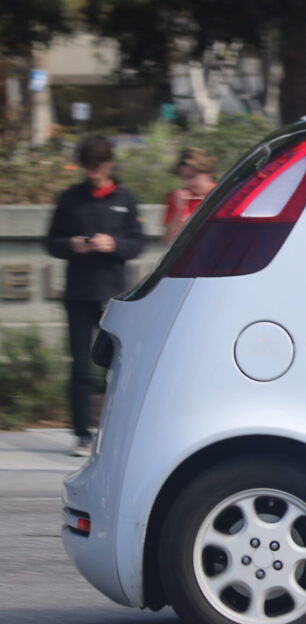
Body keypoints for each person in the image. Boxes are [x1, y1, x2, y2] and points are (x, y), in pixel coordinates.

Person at [45, 135, 143, 456]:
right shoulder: (69, 198)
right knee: (80, 369)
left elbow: (137, 244)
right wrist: (71, 245)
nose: (92, 174)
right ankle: (81, 435)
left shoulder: (126, 199)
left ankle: (114, 434)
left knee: (115, 369)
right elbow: (51, 242)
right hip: (78, 294)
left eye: (97, 169)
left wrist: (113, 245)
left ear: (109, 165)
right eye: (87, 168)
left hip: (113, 296)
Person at [162, 147, 217, 244]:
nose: (188, 183)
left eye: (192, 176)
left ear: (207, 172)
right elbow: (168, 242)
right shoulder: (175, 197)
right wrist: (178, 211)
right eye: (183, 178)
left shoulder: (221, 196)